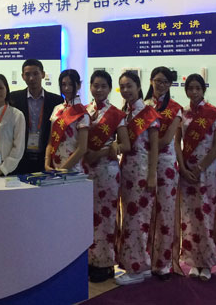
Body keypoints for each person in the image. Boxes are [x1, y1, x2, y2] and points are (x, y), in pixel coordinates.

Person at [175, 74, 216, 281]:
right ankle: (193, 261)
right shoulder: (182, 113)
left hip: (207, 172)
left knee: (206, 216)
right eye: (190, 88)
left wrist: (201, 167)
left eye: (198, 88)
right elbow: (177, 143)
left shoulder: (215, 113)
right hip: (187, 171)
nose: (194, 92)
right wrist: (183, 167)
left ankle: (207, 263)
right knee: (189, 218)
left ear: (204, 89)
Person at [84, 70, 131, 283]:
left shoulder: (116, 114)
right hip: (86, 171)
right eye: (96, 85)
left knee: (106, 218)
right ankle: (88, 260)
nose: (99, 89)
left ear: (110, 89)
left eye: (103, 86)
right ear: (90, 87)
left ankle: (104, 264)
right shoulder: (84, 111)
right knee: (87, 216)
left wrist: (106, 150)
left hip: (107, 171)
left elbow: (126, 144)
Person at [115, 71, 160, 285]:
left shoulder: (148, 113)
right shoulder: (124, 113)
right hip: (127, 171)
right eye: (122, 87)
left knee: (137, 220)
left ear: (139, 87)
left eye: (129, 86)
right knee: (131, 219)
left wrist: (152, 175)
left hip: (142, 172)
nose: (126, 90)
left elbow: (154, 148)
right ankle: (141, 263)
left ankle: (136, 269)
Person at [144, 66, 182, 280]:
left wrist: (143, 147)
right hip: (142, 164)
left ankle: (163, 263)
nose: (161, 85)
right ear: (151, 81)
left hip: (165, 165)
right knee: (144, 213)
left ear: (170, 84)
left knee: (165, 213)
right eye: (157, 80)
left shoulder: (176, 108)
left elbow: (167, 139)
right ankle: (144, 260)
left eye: (165, 82)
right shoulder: (142, 106)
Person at [11, 59, 64, 174]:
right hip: (20, 157)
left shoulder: (56, 101)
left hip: (45, 157)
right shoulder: (13, 99)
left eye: (35, 73)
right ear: (22, 76)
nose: (31, 78)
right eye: (27, 74)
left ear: (43, 74)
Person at [45, 69, 89, 173]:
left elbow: (82, 148)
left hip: (72, 169)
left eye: (71, 84)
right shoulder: (57, 109)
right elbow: (51, 141)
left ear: (79, 85)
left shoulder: (82, 113)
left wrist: (63, 169)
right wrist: (46, 163)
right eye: (63, 84)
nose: (66, 88)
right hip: (53, 167)